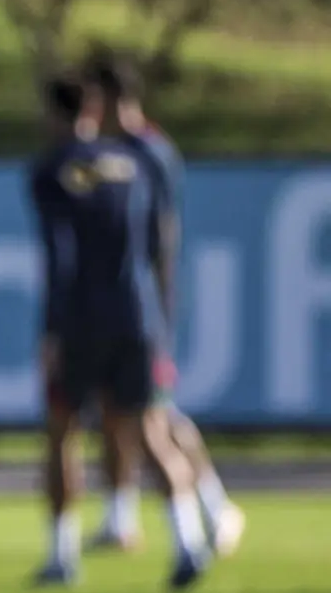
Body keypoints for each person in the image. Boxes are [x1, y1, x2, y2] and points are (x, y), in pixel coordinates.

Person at [30, 73, 208, 590]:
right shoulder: (136, 164)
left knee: (63, 431)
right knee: (151, 430)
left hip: (81, 317)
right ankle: (189, 543)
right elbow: (158, 242)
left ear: (55, 114)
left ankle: (61, 556)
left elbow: (58, 255)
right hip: (137, 314)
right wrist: (158, 313)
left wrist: (52, 331)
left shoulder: (52, 169)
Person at [80, 56, 245, 559]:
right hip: (124, 307)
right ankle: (121, 516)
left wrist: (161, 309)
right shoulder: (111, 152)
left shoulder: (149, 153)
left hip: (144, 308)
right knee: (125, 412)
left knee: (158, 414)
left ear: (108, 99)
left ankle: (216, 507)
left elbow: (162, 235)